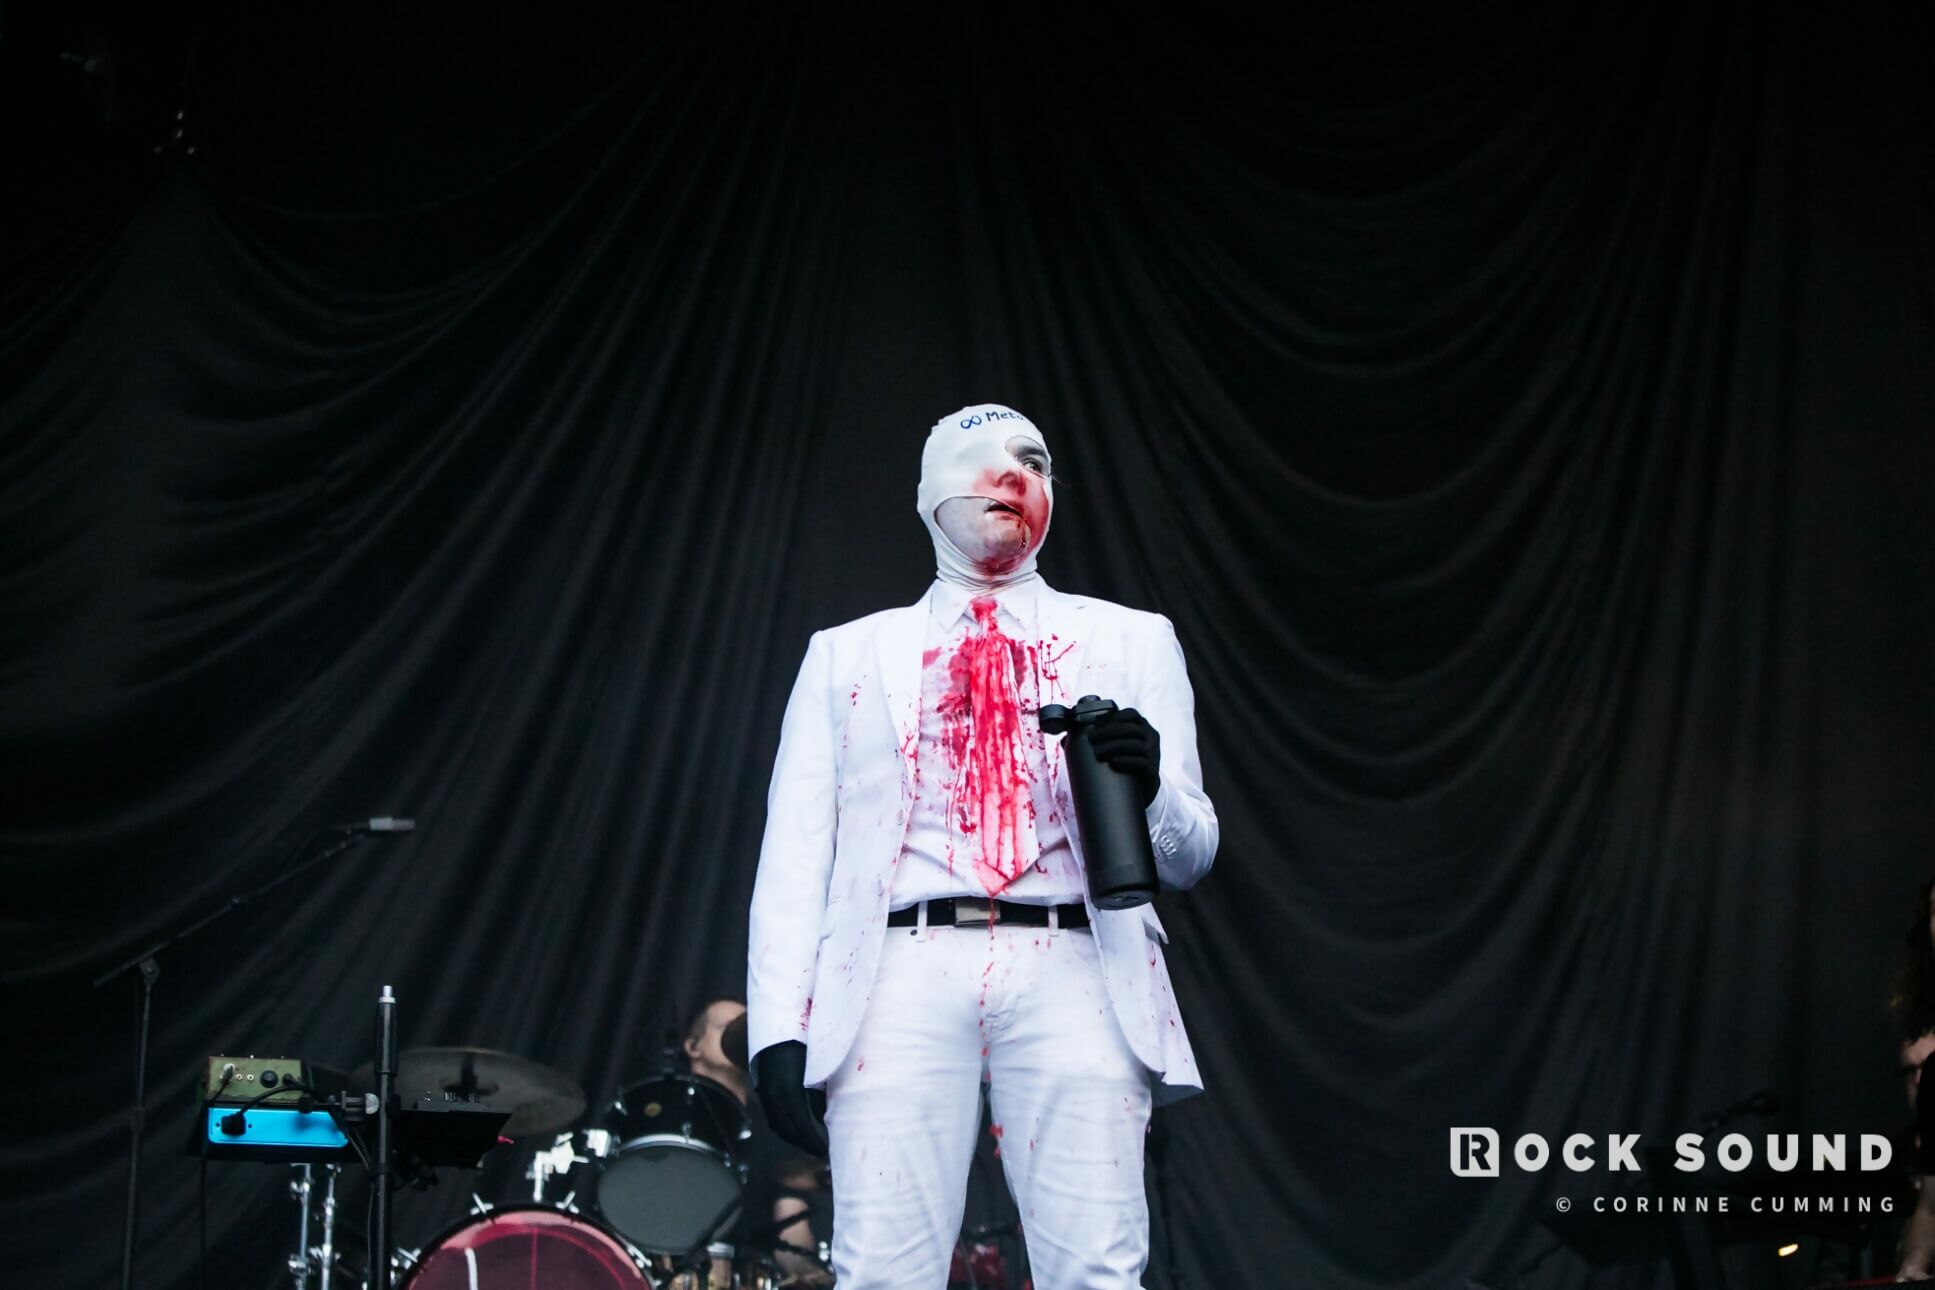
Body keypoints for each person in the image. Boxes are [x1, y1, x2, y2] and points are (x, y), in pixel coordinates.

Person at [746, 403, 1218, 1288]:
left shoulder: (1131, 639)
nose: (1016, 476)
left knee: (1097, 1271)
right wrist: (778, 1028)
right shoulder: (846, 655)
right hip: (899, 965)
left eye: (1035, 462)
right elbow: (795, 857)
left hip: (1078, 956)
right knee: (880, 1274)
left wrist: (1152, 785)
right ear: (932, 494)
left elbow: (1190, 857)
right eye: (989, 458)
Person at [676, 996, 833, 1287]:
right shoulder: (670, 1114)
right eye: (731, 1029)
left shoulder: (776, 1126)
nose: (744, 1037)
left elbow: (791, 1218)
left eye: (749, 1029)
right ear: (693, 1047)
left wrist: (806, 1273)